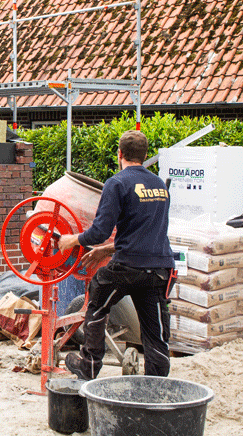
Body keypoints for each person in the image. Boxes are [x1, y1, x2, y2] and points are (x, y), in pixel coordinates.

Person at [57, 130, 176, 379]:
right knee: (155, 330)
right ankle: (157, 381)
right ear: (144, 155)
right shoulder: (160, 185)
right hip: (159, 270)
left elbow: (99, 231)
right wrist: (107, 249)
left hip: (128, 268)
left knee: (97, 298)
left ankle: (89, 365)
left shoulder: (117, 183)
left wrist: (71, 240)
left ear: (119, 153)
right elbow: (146, 233)